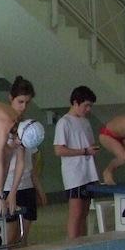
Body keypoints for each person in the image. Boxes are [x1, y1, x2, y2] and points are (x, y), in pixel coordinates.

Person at [0, 76, 47, 241]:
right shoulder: (0, 124)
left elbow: (28, 162)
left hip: (25, 184)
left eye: (27, 103)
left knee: (23, 239)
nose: (24, 107)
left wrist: (38, 187)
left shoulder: (27, 126)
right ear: (10, 98)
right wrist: (4, 193)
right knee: (9, 237)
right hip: (5, 185)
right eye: (20, 102)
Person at [53, 85, 100, 239]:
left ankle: (83, 242)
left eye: (90, 106)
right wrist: (84, 151)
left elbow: (89, 145)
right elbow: (59, 150)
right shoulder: (64, 122)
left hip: (88, 173)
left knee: (85, 213)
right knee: (76, 213)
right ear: (75, 103)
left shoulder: (85, 122)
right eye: (86, 105)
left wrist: (91, 152)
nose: (88, 109)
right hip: (74, 175)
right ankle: (73, 244)